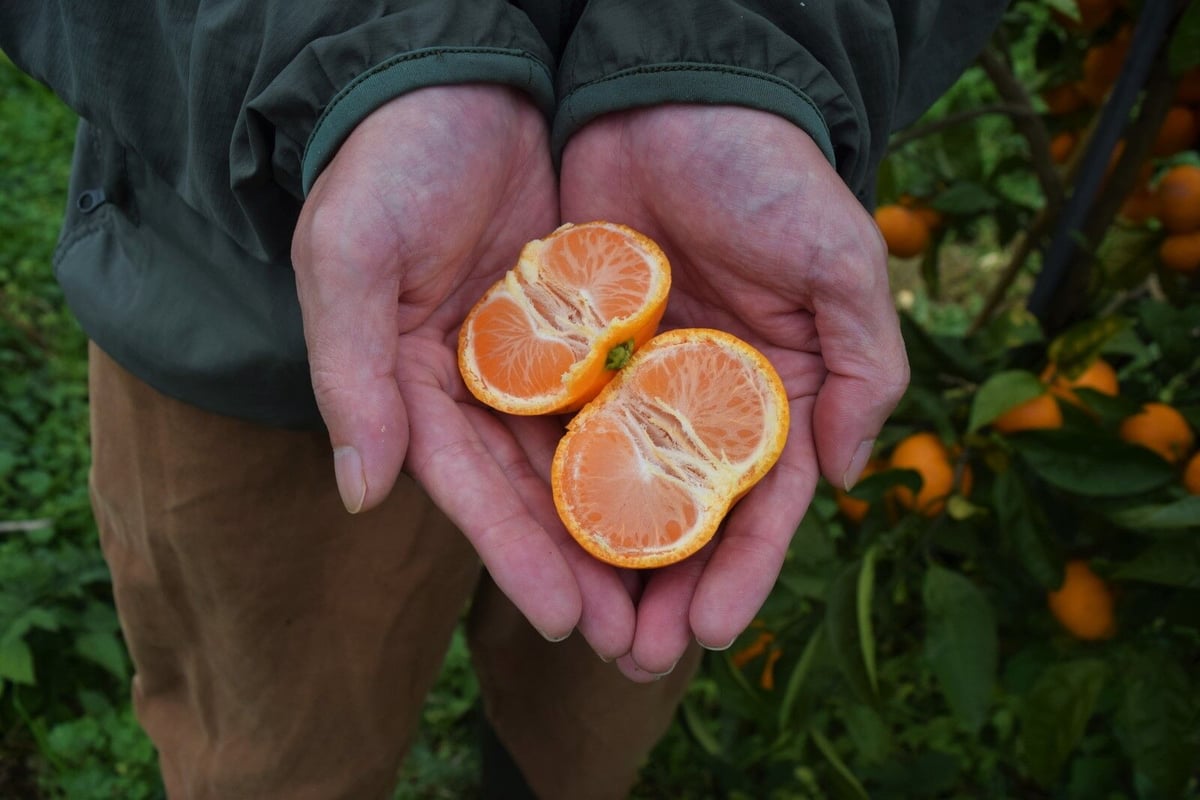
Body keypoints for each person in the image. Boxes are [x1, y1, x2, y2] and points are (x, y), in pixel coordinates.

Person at [1, 1, 1009, 797]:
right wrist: (361, 58)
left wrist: (745, 50)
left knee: (592, 708)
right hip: (248, 285)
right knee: (273, 747)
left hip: (715, 262)